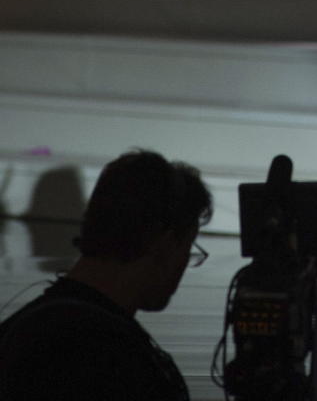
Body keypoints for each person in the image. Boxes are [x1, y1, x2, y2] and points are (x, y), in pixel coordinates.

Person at [0, 149, 213, 400]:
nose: (183, 266)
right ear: (163, 246)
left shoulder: (23, 329)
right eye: (187, 251)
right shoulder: (113, 356)